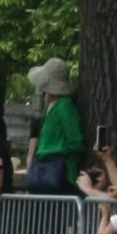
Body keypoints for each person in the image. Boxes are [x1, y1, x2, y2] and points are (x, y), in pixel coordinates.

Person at [26, 59, 84, 194]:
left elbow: (76, 142)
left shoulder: (65, 106)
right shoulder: (50, 106)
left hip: (59, 170)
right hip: (43, 167)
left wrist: (67, 162)